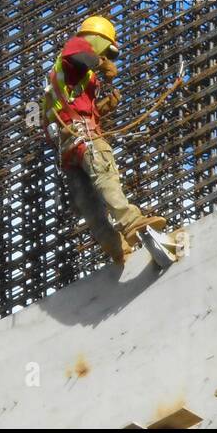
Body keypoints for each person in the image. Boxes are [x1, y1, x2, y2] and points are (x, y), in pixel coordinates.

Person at [43, 15, 164, 264]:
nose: (108, 58)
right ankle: (131, 222)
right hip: (82, 136)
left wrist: (102, 107)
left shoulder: (73, 78)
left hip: (66, 147)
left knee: (89, 204)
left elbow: (75, 105)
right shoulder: (78, 46)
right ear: (98, 40)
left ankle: (116, 248)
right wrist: (100, 62)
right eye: (106, 51)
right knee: (105, 176)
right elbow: (80, 56)